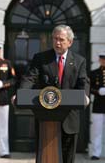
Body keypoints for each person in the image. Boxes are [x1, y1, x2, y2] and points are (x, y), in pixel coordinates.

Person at [18, 25, 89, 163]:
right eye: (55, 39)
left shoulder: (79, 61)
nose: (57, 42)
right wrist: (21, 93)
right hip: (46, 117)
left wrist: (85, 96)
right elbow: (29, 78)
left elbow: (83, 81)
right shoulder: (41, 58)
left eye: (61, 39)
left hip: (69, 118)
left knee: (68, 158)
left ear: (70, 42)